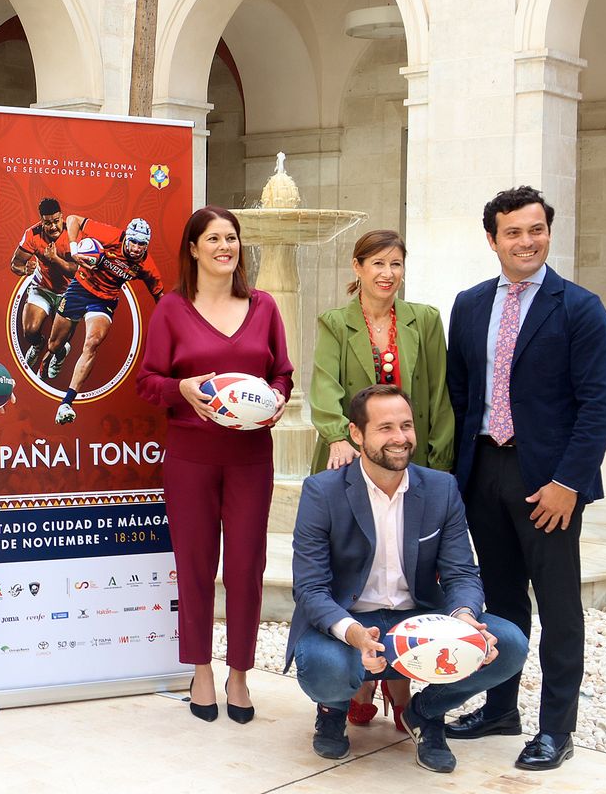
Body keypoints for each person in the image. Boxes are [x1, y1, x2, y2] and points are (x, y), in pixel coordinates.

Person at [444, 185, 606, 772]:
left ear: (548, 232)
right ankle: (500, 709)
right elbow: (461, 394)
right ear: (492, 239)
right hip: (483, 472)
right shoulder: (469, 305)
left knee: (559, 606)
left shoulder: (580, 307)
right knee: (500, 600)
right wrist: (458, 480)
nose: (527, 241)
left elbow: (600, 404)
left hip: (549, 482)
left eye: (536, 229)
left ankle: (556, 728)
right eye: (514, 232)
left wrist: (569, 483)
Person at [287, 384, 529, 773]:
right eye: (385, 428)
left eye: (406, 425)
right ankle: (332, 709)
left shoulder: (440, 488)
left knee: (511, 644)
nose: (400, 438)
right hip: (352, 621)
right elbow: (310, 588)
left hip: (417, 620)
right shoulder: (323, 492)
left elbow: (461, 572)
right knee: (323, 666)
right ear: (356, 434)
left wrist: (465, 618)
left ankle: (425, 712)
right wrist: (353, 634)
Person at [135, 207, 289, 724]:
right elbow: (148, 382)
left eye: (232, 238)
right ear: (194, 248)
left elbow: (283, 374)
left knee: (246, 567)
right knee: (195, 565)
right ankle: (200, 669)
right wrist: (181, 388)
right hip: (191, 457)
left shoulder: (264, 307)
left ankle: (239, 674)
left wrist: (277, 398)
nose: (225, 246)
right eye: (214, 238)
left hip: (250, 457)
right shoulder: (172, 309)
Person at [307, 228, 454, 729]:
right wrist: (339, 435)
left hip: (408, 461)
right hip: (348, 459)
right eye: (377, 263)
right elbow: (324, 389)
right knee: (356, 569)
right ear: (357, 267)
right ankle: (357, 680)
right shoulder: (335, 323)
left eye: (395, 263)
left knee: (406, 569)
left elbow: (437, 397)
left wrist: (438, 467)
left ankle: (401, 683)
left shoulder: (425, 320)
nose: (387, 274)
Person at [50, 215, 165, 424]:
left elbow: (159, 295)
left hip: (104, 301)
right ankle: (60, 351)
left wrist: (169, 322)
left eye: (142, 244)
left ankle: (66, 403)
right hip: (80, 288)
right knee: (53, 345)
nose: (137, 248)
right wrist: (74, 249)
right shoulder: (111, 235)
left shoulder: (146, 265)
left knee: (92, 342)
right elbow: (73, 219)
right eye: (133, 242)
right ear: (126, 238)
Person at [8, 197, 77, 377]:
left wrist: (55, 259)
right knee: (29, 331)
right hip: (43, 287)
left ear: (62, 217)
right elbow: (15, 264)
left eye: (56, 221)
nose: (53, 227)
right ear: (41, 221)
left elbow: (76, 272)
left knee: (58, 343)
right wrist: (24, 269)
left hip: (69, 292)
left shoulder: (73, 233)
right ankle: (37, 344)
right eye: (48, 223)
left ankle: (59, 354)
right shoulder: (33, 234)